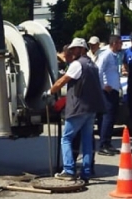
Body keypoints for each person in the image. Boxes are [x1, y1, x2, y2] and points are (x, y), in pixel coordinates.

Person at [44, 38, 105, 183]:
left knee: (66, 139)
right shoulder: (92, 65)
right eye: (72, 49)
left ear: (83, 49)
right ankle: (86, 172)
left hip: (78, 108)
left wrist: (49, 92)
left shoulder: (77, 64)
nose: (72, 51)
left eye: (76, 48)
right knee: (87, 141)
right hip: (91, 109)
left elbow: (62, 81)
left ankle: (69, 170)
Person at [95, 35, 123, 156]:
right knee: (107, 117)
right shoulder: (106, 54)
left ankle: (108, 143)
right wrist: (103, 85)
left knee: (112, 118)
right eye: (119, 43)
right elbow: (99, 70)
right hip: (108, 91)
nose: (121, 45)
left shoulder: (114, 56)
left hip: (114, 91)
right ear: (114, 43)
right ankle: (103, 144)